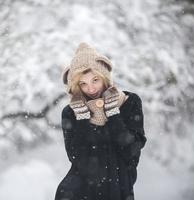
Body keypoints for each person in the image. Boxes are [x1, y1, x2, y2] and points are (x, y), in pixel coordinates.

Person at [54, 42, 147, 200]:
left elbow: (131, 152)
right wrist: (83, 119)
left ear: (105, 77)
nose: (90, 89)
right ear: (76, 86)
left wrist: (113, 114)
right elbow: (78, 158)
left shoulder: (129, 102)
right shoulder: (71, 112)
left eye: (95, 80)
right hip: (79, 193)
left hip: (119, 190)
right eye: (83, 83)